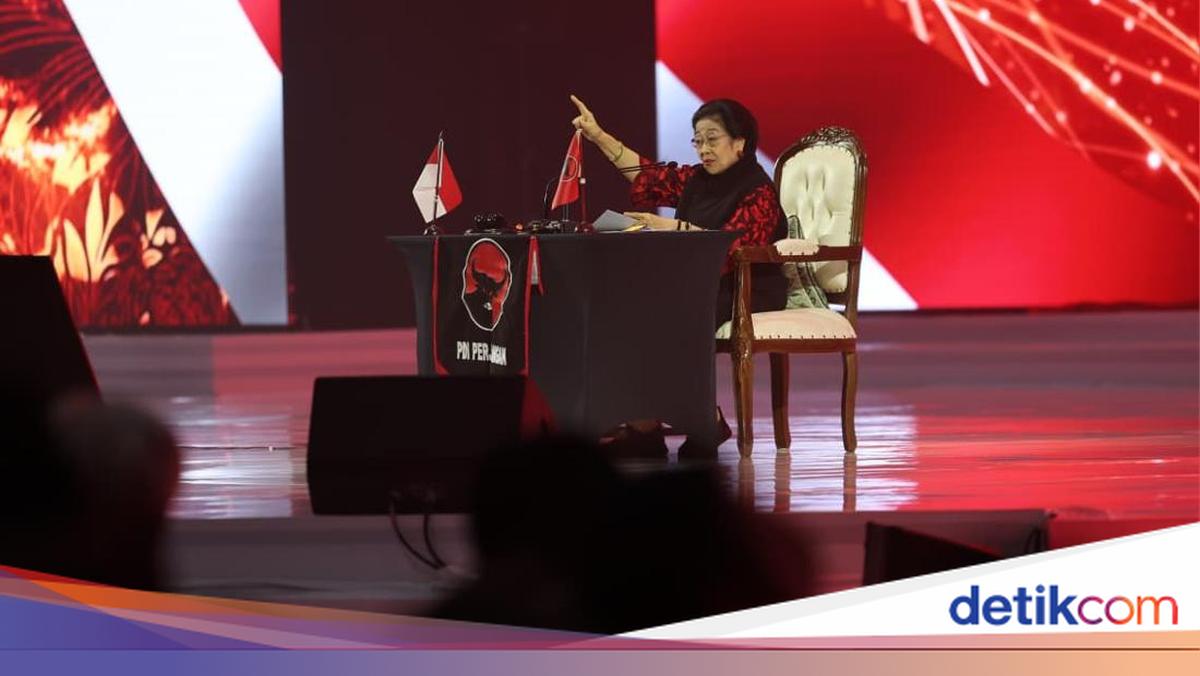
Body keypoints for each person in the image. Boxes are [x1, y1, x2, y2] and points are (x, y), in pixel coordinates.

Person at [569, 95, 789, 328]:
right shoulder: (697, 179)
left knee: (666, 307)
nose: (703, 150)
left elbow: (732, 252)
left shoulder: (759, 191)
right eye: (698, 141)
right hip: (699, 283)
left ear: (739, 142)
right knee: (625, 294)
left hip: (744, 290)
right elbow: (648, 177)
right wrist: (599, 136)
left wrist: (676, 228)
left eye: (712, 140)